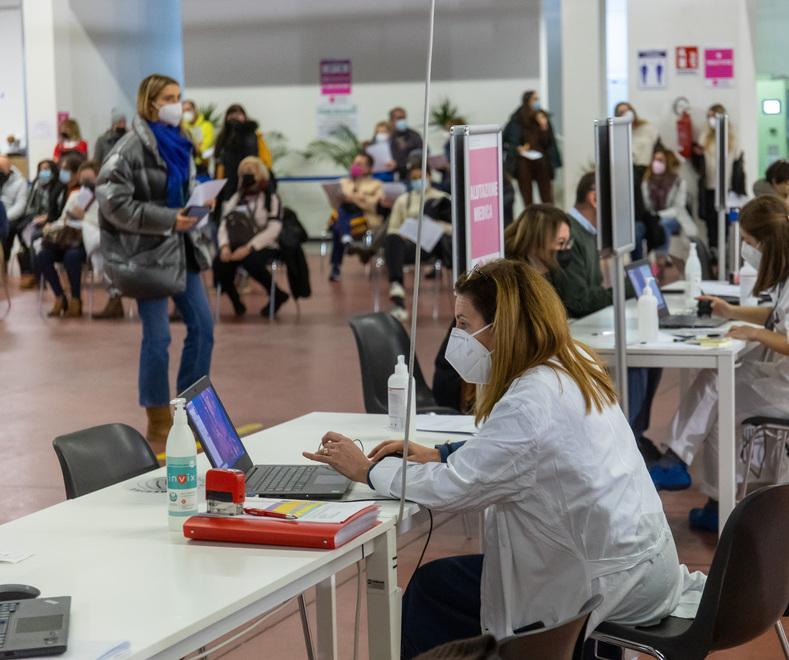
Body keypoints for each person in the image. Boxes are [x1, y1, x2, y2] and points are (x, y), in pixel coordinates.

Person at [304, 259, 704, 658]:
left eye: (463, 324)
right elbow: (532, 452)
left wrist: (369, 470)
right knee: (442, 585)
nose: (455, 338)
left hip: (598, 585)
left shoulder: (531, 401)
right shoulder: (571, 363)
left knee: (431, 592)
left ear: (501, 326)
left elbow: (455, 488)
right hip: (639, 567)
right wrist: (440, 452)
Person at [652, 195, 789, 531]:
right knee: (718, 391)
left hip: (785, 390)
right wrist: (731, 312)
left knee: (719, 388)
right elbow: (776, 315)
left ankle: (679, 461)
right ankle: (716, 501)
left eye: (747, 242)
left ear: (765, 243)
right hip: (781, 378)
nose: (745, 249)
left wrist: (755, 335)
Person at [96, 73, 215, 454]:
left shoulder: (182, 143)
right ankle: (158, 418)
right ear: (150, 103)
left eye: (179, 96)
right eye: (169, 97)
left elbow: (183, 190)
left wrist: (201, 205)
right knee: (158, 337)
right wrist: (166, 219)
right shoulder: (129, 147)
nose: (177, 104)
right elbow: (112, 202)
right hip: (145, 257)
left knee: (203, 327)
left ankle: (189, 410)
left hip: (183, 249)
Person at [215, 156, 288, 317]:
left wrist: (249, 248)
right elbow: (224, 224)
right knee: (220, 264)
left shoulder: (271, 198)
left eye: (250, 171)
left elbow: (274, 229)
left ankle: (276, 295)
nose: (246, 175)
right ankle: (236, 301)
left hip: (262, 245)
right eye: (243, 172)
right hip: (235, 243)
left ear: (261, 174)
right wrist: (224, 246)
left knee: (251, 261)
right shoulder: (236, 198)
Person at [384, 163, 451, 321]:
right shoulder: (403, 200)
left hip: (431, 245)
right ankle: (397, 288)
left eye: (421, 176)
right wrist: (402, 234)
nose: (418, 180)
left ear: (429, 176)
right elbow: (393, 228)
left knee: (395, 246)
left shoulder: (442, 198)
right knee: (392, 239)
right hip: (408, 244)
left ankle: (397, 292)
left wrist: (436, 226)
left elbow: (453, 227)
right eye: (414, 178)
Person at [35, 162, 99, 318]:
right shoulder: (75, 195)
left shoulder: (104, 198)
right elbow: (63, 218)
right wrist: (52, 226)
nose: (86, 183)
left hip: (87, 240)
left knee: (72, 256)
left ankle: (76, 299)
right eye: (83, 179)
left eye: (90, 179)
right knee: (43, 255)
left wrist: (85, 217)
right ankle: (59, 297)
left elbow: (104, 223)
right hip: (67, 237)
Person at [8, 160, 66, 288]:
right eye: (41, 169)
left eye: (47, 169)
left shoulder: (60, 186)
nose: (43, 172)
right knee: (21, 229)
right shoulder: (36, 183)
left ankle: (38, 274)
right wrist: (34, 216)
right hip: (36, 217)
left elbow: (60, 210)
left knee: (34, 237)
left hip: (52, 219)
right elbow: (31, 205)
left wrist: (47, 217)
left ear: (53, 170)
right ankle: (30, 272)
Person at [328, 152, 383, 282]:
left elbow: (375, 205)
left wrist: (355, 198)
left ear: (369, 168)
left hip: (363, 219)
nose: (355, 166)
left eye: (360, 164)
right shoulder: (343, 182)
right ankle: (346, 238)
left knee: (338, 226)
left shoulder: (376, 184)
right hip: (344, 216)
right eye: (354, 163)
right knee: (341, 212)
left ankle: (336, 266)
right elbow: (334, 204)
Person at [641, 146, 697, 263]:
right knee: (648, 227)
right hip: (652, 218)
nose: (656, 163)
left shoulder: (678, 182)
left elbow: (678, 208)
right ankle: (650, 260)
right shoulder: (646, 181)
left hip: (675, 218)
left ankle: (661, 259)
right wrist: (653, 216)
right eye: (655, 160)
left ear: (667, 162)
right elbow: (646, 205)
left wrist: (659, 215)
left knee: (662, 224)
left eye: (660, 160)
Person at [695, 103, 738, 253]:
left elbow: (737, 161)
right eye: (708, 116)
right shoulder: (704, 136)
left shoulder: (731, 138)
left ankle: (725, 252)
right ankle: (713, 253)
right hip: (709, 186)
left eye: (713, 116)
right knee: (711, 222)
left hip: (727, 187)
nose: (710, 119)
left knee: (726, 222)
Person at [503, 91, 558, 206]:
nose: (537, 102)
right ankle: (530, 218)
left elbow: (549, 142)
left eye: (538, 99)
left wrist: (544, 126)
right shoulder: (517, 119)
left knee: (547, 195)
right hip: (523, 161)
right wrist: (517, 148)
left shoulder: (541, 116)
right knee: (527, 196)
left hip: (541, 160)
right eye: (535, 99)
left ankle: (549, 218)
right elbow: (508, 139)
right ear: (527, 100)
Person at [214, 104, 273, 197]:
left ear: (245, 116)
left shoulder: (255, 136)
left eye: (238, 114)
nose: (235, 117)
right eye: (231, 114)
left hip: (251, 181)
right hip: (228, 183)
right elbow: (219, 164)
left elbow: (265, 160)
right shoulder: (222, 138)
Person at [0, 155, 29, 265]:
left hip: (10, 216)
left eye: (1, 170)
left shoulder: (20, 182)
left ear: (9, 168)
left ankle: (4, 262)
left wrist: (4, 217)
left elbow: (20, 206)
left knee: (8, 228)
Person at [614, 102, 659, 169]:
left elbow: (658, 146)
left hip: (647, 168)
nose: (626, 114)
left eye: (628, 111)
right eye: (622, 112)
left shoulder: (647, 127)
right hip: (628, 168)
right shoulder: (618, 133)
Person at [182, 99, 215, 178]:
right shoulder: (182, 127)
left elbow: (206, 147)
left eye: (188, 109)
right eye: (183, 111)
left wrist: (197, 148)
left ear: (194, 109)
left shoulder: (206, 125)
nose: (186, 113)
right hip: (186, 165)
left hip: (201, 166)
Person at [388, 107, 423, 181]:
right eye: (399, 118)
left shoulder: (414, 135)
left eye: (404, 118)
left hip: (413, 176)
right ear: (391, 120)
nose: (402, 121)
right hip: (394, 176)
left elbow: (422, 153)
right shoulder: (389, 137)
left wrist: (398, 164)